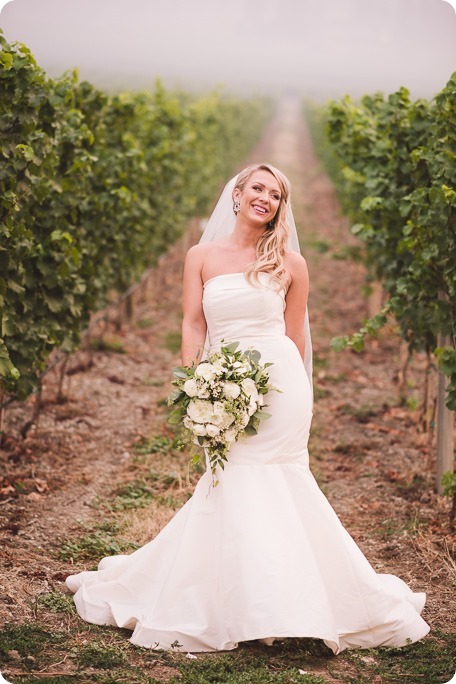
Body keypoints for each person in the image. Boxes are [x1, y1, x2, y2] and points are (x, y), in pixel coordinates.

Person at [66, 163, 429, 654]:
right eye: (257, 188)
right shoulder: (200, 256)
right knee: (229, 482)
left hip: (280, 386)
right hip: (223, 383)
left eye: (275, 194)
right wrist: (197, 384)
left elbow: (294, 336)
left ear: (281, 207)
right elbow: (193, 325)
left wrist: (292, 389)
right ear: (236, 195)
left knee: (281, 481)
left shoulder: (290, 263)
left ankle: (289, 604)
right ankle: (240, 604)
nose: (265, 198)